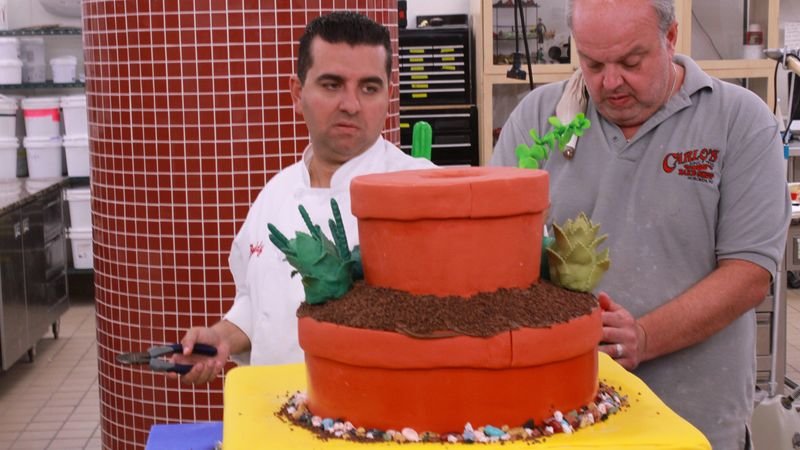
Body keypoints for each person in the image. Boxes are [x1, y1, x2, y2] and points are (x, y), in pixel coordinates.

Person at [491, 0, 790, 448]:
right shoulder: (540, 118)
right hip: (562, 420)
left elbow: (749, 273)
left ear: (670, 39)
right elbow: (496, 247)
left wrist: (645, 337)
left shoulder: (738, 121)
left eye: (631, 62)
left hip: (694, 423)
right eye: (593, 64)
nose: (610, 82)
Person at [171, 12, 434, 384]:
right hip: (277, 408)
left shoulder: (424, 191)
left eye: (369, 88)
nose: (351, 104)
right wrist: (222, 337)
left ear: (388, 96)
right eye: (332, 84)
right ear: (297, 93)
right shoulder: (275, 194)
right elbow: (258, 304)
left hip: (377, 411)